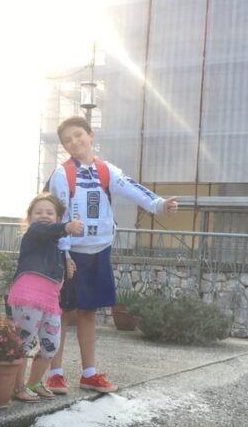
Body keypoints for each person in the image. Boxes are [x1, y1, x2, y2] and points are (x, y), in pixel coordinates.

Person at [46, 115, 179, 394]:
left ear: (90, 135)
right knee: (61, 313)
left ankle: (89, 373)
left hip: (99, 250)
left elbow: (133, 189)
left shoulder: (108, 171)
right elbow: (57, 216)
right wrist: (65, 254)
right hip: (70, 254)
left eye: (78, 136)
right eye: (67, 140)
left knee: (88, 312)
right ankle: (55, 373)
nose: (75, 142)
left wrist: (159, 205)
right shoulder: (61, 174)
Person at [7, 193, 84, 402]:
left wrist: (66, 258)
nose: (44, 216)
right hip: (28, 297)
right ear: (30, 218)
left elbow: (56, 240)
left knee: (51, 345)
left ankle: (34, 382)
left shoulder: (55, 243)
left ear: (57, 217)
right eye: (38, 212)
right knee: (23, 344)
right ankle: (17, 387)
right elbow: (46, 231)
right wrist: (67, 227)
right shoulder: (34, 232)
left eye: (50, 213)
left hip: (50, 300)